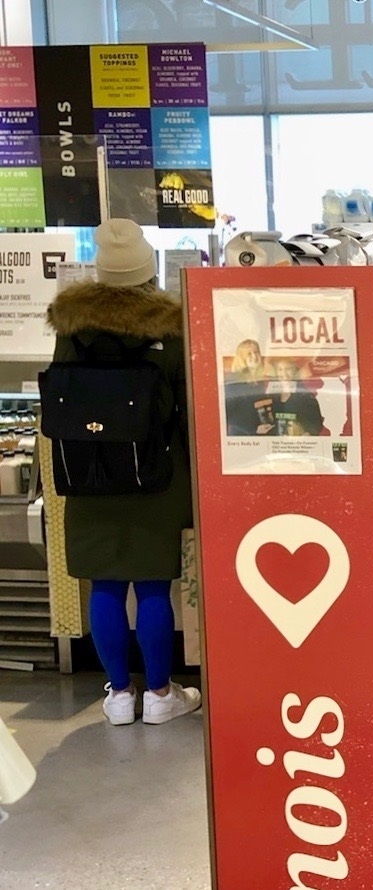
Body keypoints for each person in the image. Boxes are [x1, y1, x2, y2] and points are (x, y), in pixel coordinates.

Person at [46, 219, 200, 727]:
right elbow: (186, 405)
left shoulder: (71, 327)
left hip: (87, 472)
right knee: (154, 587)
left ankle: (116, 695)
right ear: (147, 269)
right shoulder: (171, 328)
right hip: (155, 472)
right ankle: (158, 693)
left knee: (105, 584)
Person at [225, 339, 275, 435]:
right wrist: (253, 429)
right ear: (242, 358)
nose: (254, 356)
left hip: (262, 432)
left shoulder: (260, 379)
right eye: (249, 354)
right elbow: (227, 413)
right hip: (242, 436)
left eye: (256, 352)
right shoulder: (234, 379)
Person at [269, 358, 325, 436]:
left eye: (288, 369)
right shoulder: (273, 396)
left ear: (295, 371)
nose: (284, 373)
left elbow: (316, 427)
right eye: (280, 369)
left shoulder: (306, 396)